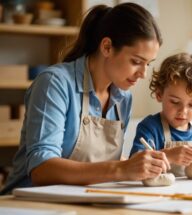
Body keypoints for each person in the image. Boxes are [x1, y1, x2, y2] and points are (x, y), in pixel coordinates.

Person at [1, 3, 170, 195]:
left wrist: (141, 165)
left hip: (85, 199)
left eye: (148, 64)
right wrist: (121, 169)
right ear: (107, 47)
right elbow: (42, 169)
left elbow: (98, 164)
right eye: (136, 62)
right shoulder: (54, 83)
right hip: (28, 204)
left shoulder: (123, 98)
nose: (143, 74)